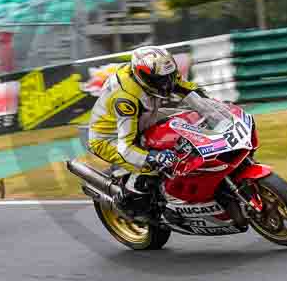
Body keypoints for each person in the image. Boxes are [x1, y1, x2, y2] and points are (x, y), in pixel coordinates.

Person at [87, 46, 207, 212]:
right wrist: (153, 157)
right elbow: (125, 148)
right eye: (160, 81)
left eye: (168, 78)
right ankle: (128, 200)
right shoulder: (126, 98)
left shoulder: (162, 74)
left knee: (188, 121)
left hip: (143, 120)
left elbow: (188, 90)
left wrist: (212, 108)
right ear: (142, 76)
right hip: (109, 137)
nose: (166, 85)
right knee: (154, 168)